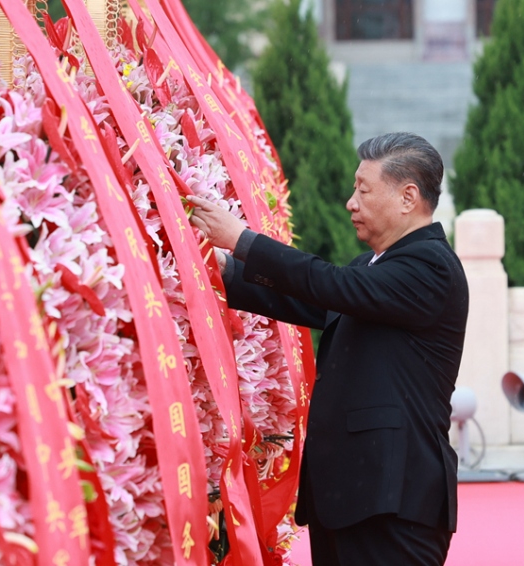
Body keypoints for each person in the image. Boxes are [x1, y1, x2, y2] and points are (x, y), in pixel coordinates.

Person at [187, 132, 468, 566]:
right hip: (350, 495)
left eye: (363, 189)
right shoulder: (372, 269)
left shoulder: (431, 266)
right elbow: (308, 298)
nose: (350, 202)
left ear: (408, 197)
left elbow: (329, 283)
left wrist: (242, 240)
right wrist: (222, 267)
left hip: (395, 497)